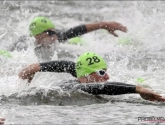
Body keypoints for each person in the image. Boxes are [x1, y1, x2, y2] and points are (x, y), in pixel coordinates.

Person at [18, 52, 165, 102]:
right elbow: (102, 87)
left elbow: (71, 66)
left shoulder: (81, 75)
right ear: (87, 75)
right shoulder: (76, 87)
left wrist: (35, 68)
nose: (107, 77)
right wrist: (137, 89)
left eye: (105, 71)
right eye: (101, 72)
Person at [28, 16, 127, 61]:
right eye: (50, 33)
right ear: (37, 36)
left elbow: (76, 30)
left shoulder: (56, 39)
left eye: (55, 32)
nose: (55, 36)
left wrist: (104, 25)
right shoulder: (24, 47)